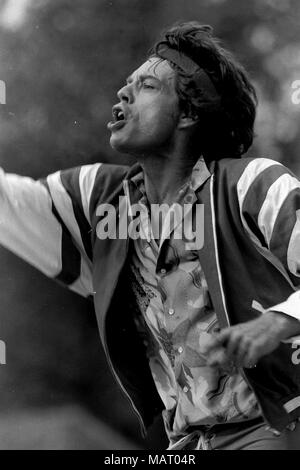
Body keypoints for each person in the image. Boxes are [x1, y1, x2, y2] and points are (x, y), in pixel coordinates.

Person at [1, 21, 300, 450]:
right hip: (185, 445)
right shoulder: (102, 200)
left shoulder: (251, 185)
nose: (123, 93)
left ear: (189, 113)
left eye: (147, 86)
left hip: (274, 429)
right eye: (127, 85)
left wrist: (277, 322)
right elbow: (8, 202)